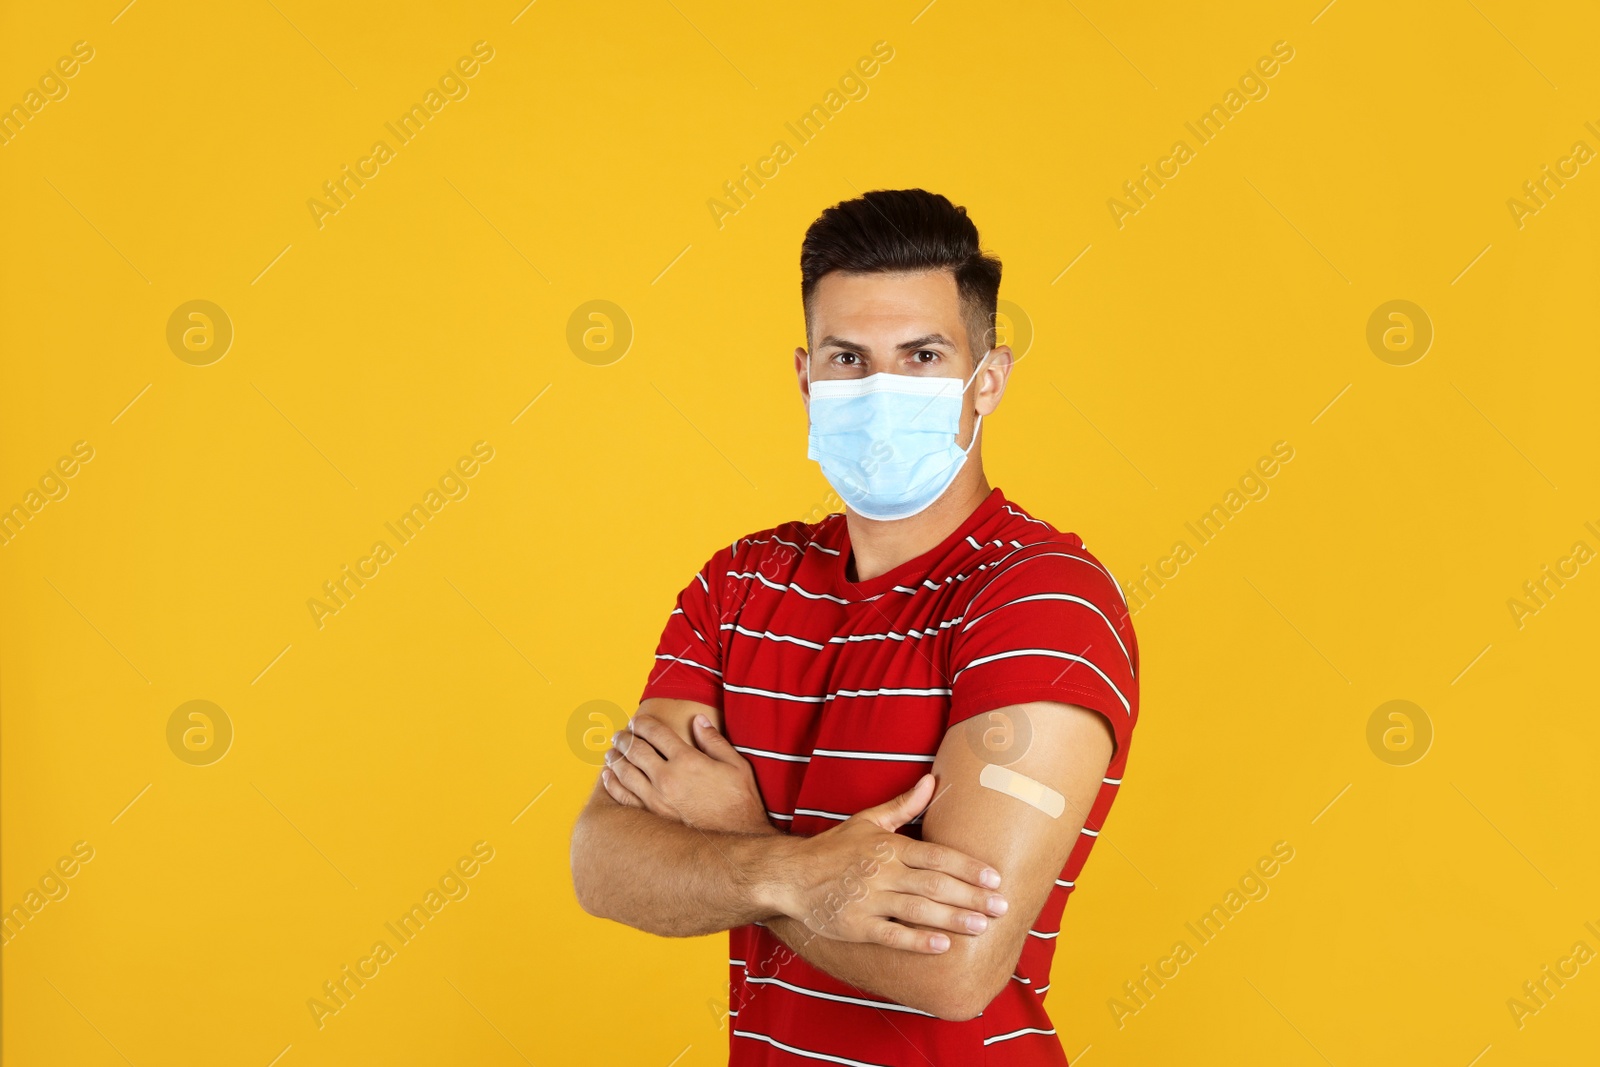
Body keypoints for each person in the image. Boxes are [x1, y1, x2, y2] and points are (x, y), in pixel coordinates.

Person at [570, 188, 1140, 1065]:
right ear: (805, 377)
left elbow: (956, 968)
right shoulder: (739, 584)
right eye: (849, 357)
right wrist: (794, 873)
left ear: (987, 379)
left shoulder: (1041, 601)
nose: (881, 390)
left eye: (921, 355)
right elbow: (603, 863)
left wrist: (737, 835)